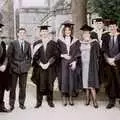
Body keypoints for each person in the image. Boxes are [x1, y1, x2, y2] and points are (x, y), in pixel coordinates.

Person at [31, 25, 59, 108]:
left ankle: (50, 100)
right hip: (40, 67)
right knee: (40, 83)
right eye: (42, 31)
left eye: (45, 31)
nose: (44, 33)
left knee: (50, 83)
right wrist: (41, 64)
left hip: (50, 67)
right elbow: (35, 57)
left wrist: (48, 63)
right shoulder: (36, 43)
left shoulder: (53, 43)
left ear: (48, 32)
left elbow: (56, 55)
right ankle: (38, 102)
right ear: (40, 33)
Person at [7, 28, 31, 111]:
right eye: (20, 33)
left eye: (24, 33)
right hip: (14, 68)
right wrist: (13, 66)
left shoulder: (28, 44)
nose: (22, 34)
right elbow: (9, 56)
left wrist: (27, 66)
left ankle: (21, 103)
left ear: (25, 35)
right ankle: (11, 104)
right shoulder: (13, 43)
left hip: (24, 69)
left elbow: (29, 57)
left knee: (23, 87)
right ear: (17, 34)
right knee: (13, 87)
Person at [57, 20, 79, 106]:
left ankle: (70, 97)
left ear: (71, 31)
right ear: (64, 31)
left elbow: (77, 52)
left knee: (71, 79)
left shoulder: (76, 41)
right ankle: (64, 97)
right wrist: (63, 55)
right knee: (64, 79)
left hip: (72, 61)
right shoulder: (59, 40)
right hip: (63, 62)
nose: (67, 32)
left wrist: (74, 61)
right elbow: (56, 51)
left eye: (69, 30)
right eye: (66, 30)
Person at [78, 24, 100, 108]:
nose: (86, 35)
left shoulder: (94, 43)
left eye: (87, 33)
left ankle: (95, 101)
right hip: (83, 66)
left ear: (90, 34)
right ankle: (87, 99)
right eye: (84, 33)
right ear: (82, 35)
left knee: (92, 84)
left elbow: (98, 55)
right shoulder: (80, 43)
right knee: (85, 84)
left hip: (91, 66)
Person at [102, 20, 120, 109]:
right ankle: (111, 100)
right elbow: (104, 50)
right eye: (110, 27)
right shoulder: (105, 37)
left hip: (119, 63)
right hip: (108, 63)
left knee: (119, 81)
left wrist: (114, 59)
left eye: (114, 26)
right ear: (108, 28)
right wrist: (108, 59)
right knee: (110, 81)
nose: (112, 28)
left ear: (117, 27)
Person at [0, 23, 10, 112]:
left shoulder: (2, 43)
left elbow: (6, 56)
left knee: (2, 88)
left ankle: (1, 106)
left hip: (2, 71)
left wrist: (4, 65)